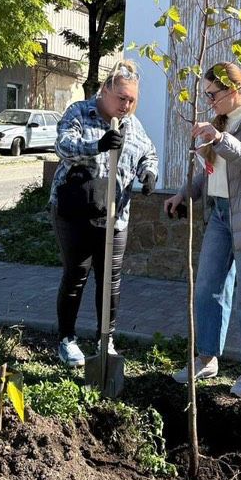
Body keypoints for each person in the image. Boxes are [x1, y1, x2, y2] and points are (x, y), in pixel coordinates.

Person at [164, 62, 241, 397]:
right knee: (208, 287)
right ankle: (207, 357)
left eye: (213, 94)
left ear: (234, 89)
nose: (208, 101)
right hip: (220, 215)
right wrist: (184, 194)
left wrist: (220, 139)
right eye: (205, 94)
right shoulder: (219, 120)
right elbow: (212, 172)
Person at [49, 60, 159, 367]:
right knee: (76, 275)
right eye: (121, 97)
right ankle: (67, 339)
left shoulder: (132, 124)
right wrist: (96, 145)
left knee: (110, 280)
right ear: (105, 90)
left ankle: (105, 339)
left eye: (132, 100)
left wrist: (149, 173)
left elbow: (147, 153)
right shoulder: (80, 112)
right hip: (75, 212)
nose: (126, 105)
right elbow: (63, 145)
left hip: (115, 216)